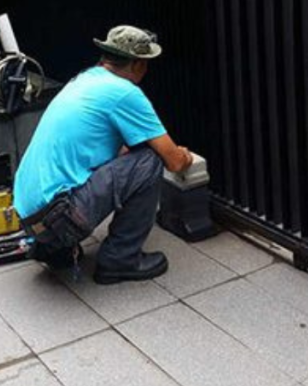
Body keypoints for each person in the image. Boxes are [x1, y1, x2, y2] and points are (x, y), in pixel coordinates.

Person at [13, 25, 194, 284]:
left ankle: (53, 249)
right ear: (138, 63)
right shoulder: (125, 92)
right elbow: (174, 162)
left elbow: (104, 150)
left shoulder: (84, 79)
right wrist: (184, 156)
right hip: (59, 219)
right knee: (150, 160)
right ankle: (120, 260)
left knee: (129, 156)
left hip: (28, 216)